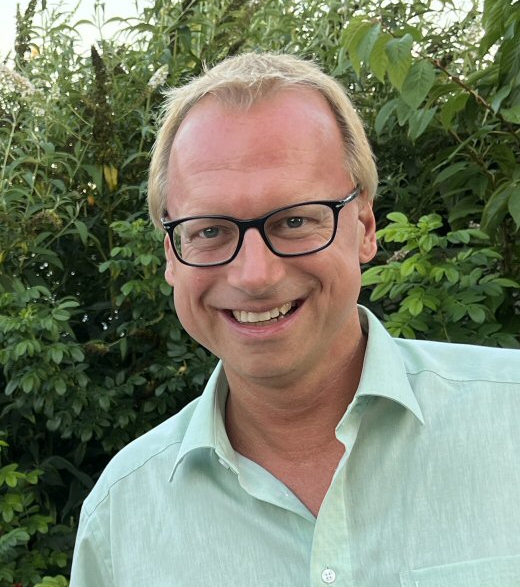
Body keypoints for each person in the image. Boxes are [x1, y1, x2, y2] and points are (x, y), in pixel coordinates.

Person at [70, 52, 520, 586]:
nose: (255, 275)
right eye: (210, 230)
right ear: (172, 254)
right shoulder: (119, 520)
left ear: (365, 227)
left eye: (295, 221)